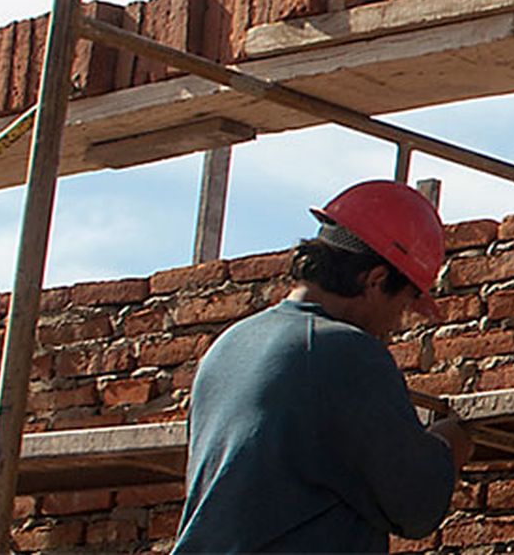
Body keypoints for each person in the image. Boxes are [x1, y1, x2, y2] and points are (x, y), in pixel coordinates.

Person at [172, 180, 474, 554]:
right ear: (376, 280)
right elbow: (414, 503)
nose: (398, 323)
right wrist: (450, 443)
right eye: (405, 303)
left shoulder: (230, 345)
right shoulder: (345, 352)